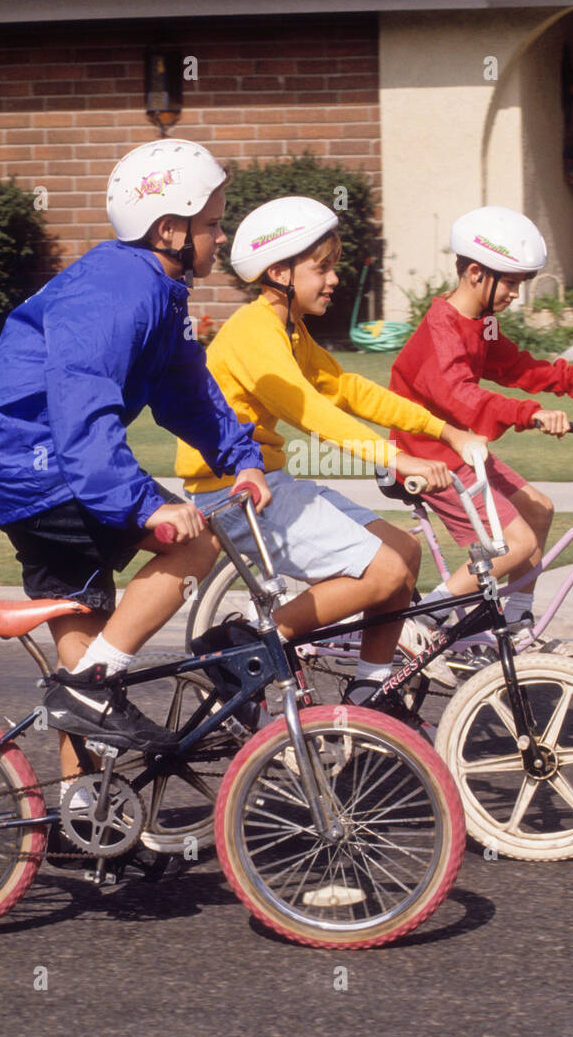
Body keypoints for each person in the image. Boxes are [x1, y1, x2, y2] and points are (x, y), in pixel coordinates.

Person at [0, 139, 271, 774]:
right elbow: (83, 417)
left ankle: (84, 820)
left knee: (87, 646)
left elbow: (189, 394)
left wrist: (240, 455)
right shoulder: (117, 290)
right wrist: (146, 506)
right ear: (170, 228)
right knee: (195, 542)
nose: (222, 237)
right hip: (41, 470)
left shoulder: (159, 291)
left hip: (45, 470)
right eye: (213, 224)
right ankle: (90, 690)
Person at [174, 195, 487, 707]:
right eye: (322, 268)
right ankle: (244, 647)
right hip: (232, 492)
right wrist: (395, 458)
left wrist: (443, 429)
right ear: (278, 270)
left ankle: (370, 689)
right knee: (382, 571)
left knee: (404, 553)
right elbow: (312, 413)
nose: (334, 279)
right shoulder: (254, 333)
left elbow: (345, 390)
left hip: (266, 485)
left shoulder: (289, 329)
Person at [389, 204, 573, 651]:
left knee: (539, 509)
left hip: (462, 451)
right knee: (514, 544)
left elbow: (515, 367)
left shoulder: (479, 325)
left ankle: (514, 629)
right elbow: (463, 398)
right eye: (511, 282)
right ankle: (420, 620)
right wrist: (529, 414)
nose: (517, 293)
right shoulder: (442, 330)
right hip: (428, 458)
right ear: (476, 273)